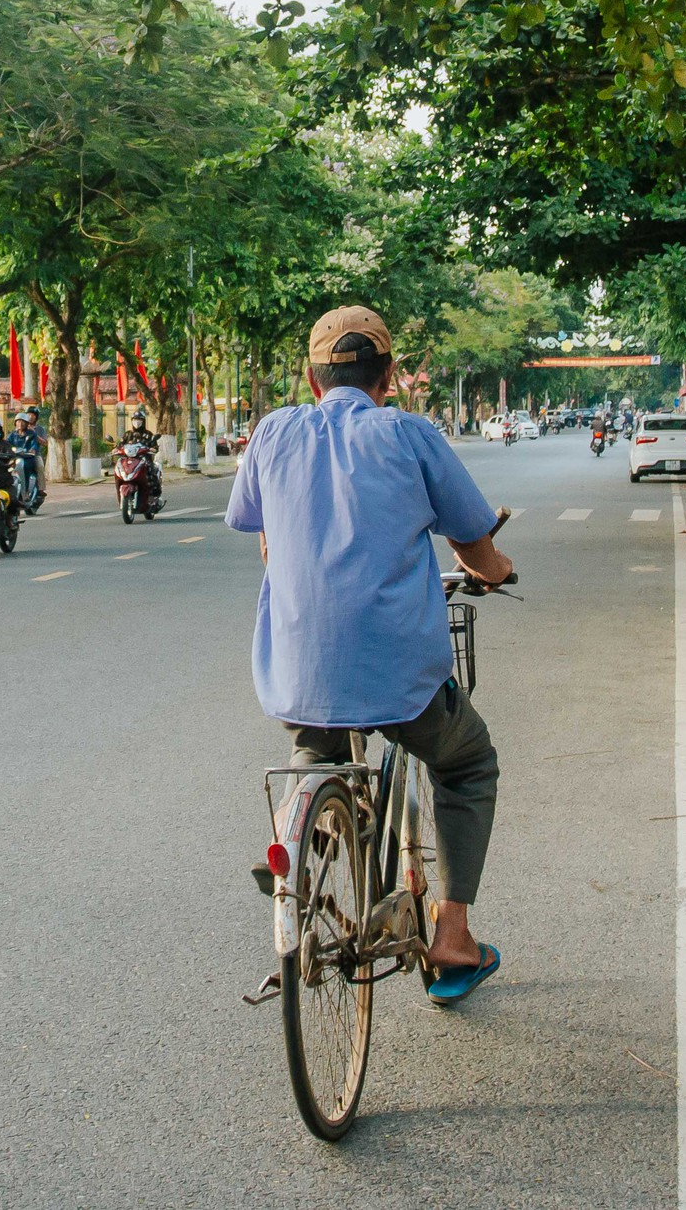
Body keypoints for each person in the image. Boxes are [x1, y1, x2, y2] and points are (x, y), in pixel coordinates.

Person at [226, 306, 514, 1006]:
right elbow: (475, 544)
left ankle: (301, 834)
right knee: (467, 759)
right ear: (390, 376)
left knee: (313, 744)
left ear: (310, 377)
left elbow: (257, 526)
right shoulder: (409, 433)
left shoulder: (273, 431)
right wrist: (497, 569)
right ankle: (452, 933)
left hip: (301, 666)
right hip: (401, 675)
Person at [8, 408, 46, 505]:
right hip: (16, 456)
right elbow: (6, 444)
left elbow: (39, 444)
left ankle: (39, 489)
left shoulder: (36, 431)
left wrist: (32, 449)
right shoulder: (13, 434)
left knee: (39, 466)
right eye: (18, 422)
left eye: (33, 415)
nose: (20, 424)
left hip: (31, 456)